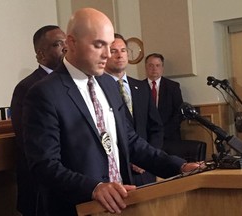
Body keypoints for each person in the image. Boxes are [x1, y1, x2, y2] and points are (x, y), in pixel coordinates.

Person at [22, 8, 204, 216]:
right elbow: (44, 165)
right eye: (99, 45)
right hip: (78, 208)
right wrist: (94, 188)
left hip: (123, 204)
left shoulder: (108, 84)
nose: (108, 54)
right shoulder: (44, 93)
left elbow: (130, 141)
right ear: (71, 43)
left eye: (110, 46)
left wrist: (179, 167)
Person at [10, 25, 67, 216]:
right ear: (41, 54)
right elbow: (29, 142)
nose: (65, 48)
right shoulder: (27, 88)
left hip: (72, 185)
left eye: (67, 42)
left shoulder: (71, 82)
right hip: (43, 191)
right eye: (58, 44)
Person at [104, 33, 164, 185]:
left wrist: (148, 158)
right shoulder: (98, 88)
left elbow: (156, 127)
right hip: (119, 172)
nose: (120, 55)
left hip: (147, 169)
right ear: (104, 55)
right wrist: (129, 159)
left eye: (123, 50)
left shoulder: (142, 87)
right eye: (114, 51)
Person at [144, 53, 184, 143]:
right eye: (151, 65)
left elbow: (179, 113)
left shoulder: (173, 87)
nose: (154, 69)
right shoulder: (138, 87)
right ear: (146, 67)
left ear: (162, 68)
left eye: (157, 65)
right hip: (147, 138)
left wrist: (163, 133)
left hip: (170, 137)